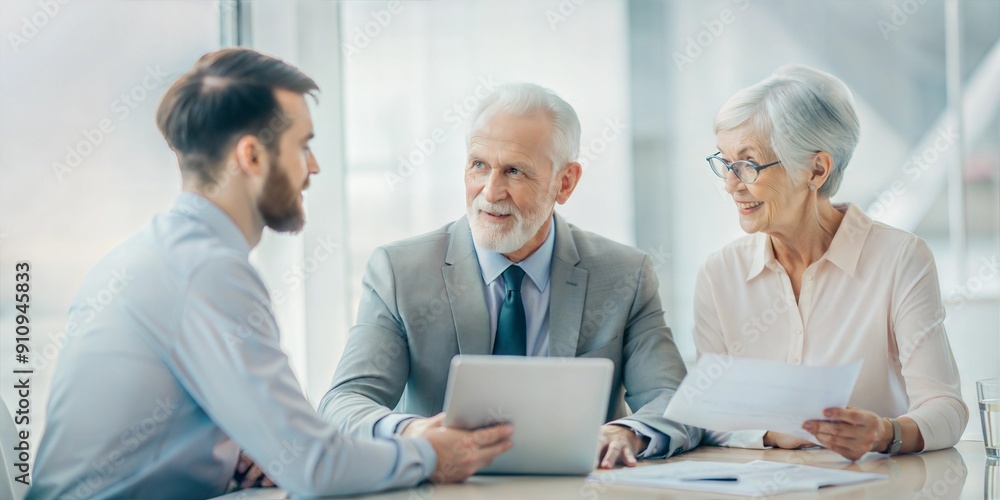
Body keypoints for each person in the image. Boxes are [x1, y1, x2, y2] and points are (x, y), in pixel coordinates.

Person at [28, 48, 512, 499]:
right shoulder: (207, 273)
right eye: (302, 145)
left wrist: (226, 457)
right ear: (252, 157)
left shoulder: (154, 254)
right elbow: (315, 466)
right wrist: (433, 454)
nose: (314, 166)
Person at [319, 83, 701, 468]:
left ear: (565, 182)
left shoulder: (624, 275)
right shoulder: (399, 271)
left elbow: (676, 398)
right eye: (478, 165)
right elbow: (344, 402)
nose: (490, 191)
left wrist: (627, 432)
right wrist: (410, 432)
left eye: (514, 171)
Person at [694, 65, 968, 460]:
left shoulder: (901, 258)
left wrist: (885, 433)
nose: (731, 184)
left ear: (816, 169)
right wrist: (774, 433)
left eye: (748, 164)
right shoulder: (719, 274)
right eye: (725, 163)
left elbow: (946, 408)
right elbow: (705, 412)